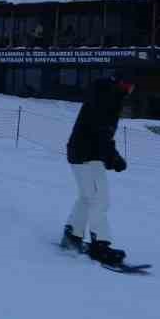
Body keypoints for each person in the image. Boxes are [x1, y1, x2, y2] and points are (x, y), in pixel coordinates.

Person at [63, 75, 133, 266]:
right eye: (131, 86)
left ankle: (73, 234)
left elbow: (100, 132)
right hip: (87, 154)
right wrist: (114, 159)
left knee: (88, 196)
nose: (132, 90)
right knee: (99, 199)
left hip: (82, 151)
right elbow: (102, 132)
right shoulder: (108, 98)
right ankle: (100, 245)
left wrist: (110, 157)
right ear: (124, 84)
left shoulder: (104, 93)